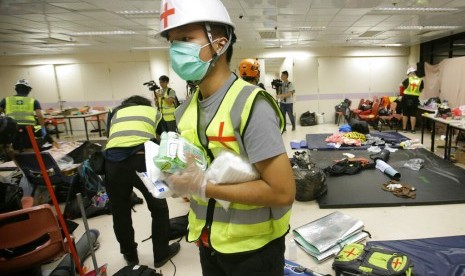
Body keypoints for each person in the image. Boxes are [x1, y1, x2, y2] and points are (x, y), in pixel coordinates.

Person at [158, 0, 295, 275]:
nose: (177, 51)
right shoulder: (186, 110)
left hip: (253, 250)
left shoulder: (251, 105)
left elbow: (282, 192)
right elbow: (198, 172)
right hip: (207, 241)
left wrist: (202, 187)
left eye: (186, 38)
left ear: (219, 44)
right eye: (173, 43)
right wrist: (178, 181)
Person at [103, 95, 180, 268]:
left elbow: (111, 137)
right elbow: (166, 138)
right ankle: (161, 254)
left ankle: (130, 256)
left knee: (120, 212)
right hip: (142, 160)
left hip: (113, 164)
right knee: (158, 209)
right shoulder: (153, 111)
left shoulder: (114, 112)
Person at [0, 79, 49, 152]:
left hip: (12, 128)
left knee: (12, 148)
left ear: (16, 89)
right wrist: (43, 128)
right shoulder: (33, 101)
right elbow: (40, 116)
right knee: (29, 147)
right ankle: (29, 161)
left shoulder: (6, 100)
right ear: (29, 90)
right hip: (28, 128)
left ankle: (16, 161)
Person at [401, 66, 424, 134]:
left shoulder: (408, 79)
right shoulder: (420, 80)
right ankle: (413, 130)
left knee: (405, 114)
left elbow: (400, 85)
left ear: (409, 73)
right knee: (413, 115)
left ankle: (404, 129)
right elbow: (421, 90)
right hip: (415, 99)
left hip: (406, 98)